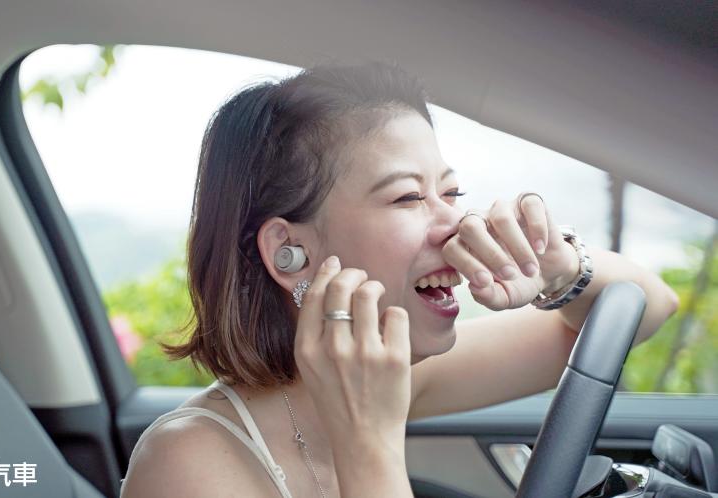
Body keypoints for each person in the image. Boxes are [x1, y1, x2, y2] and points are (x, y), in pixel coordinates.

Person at [119, 61, 678, 497]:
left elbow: (646, 307)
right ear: (290, 251)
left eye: (452, 192)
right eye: (409, 196)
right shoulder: (184, 462)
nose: (457, 222)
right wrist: (368, 436)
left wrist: (554, 266)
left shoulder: (399, 373)